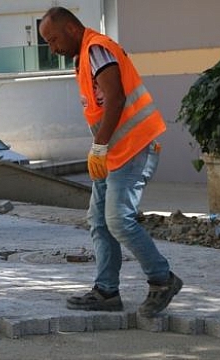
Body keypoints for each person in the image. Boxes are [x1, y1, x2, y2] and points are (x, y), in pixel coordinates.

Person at [39, 7, 182, 317]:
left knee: (118, 220)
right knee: (100, 221)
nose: (53, 48)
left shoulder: (97, 49)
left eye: (53, 40)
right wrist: (102, 149)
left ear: (72, 30)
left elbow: (115, 99)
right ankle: (106, 292)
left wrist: (100, 146)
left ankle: (162, 279)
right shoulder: (84, 57)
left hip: (134, 149)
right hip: (115, 153)